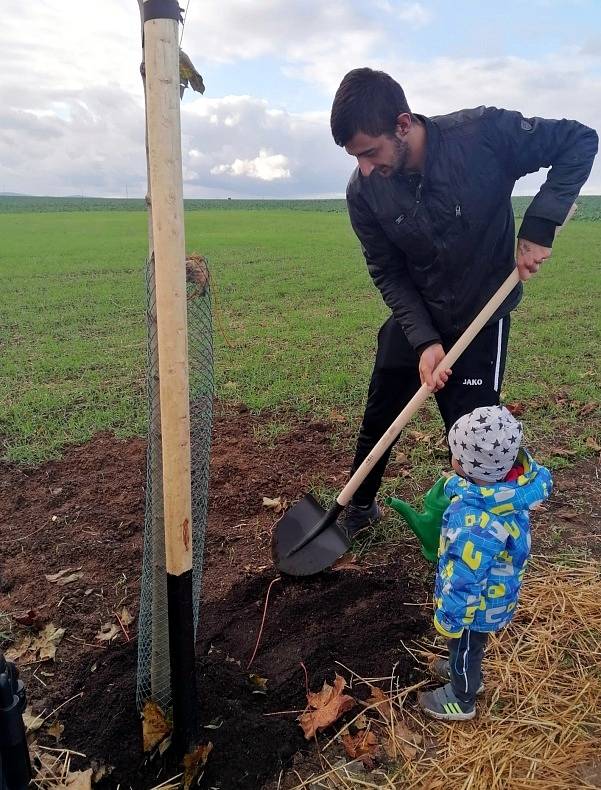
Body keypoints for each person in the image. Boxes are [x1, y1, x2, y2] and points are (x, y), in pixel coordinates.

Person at [329, 68, 597, 537]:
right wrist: (424, 340)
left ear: (403, 123)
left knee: (476, 437)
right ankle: (360, 508)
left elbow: (579, 141)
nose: (365, 168)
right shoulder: (363, 190)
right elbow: (387, 270)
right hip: (419, 313)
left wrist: (539, 225)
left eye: (370, 152)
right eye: (356, 157)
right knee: (382, 408)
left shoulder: (483, 136)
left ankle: (491, 530)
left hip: (481, 311)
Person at [417, 405, 552, 720]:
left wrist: (451, 619)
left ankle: (462, 696)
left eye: (455, 454)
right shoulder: (508, 493)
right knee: (469, 647)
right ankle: (463, 668)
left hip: (474, 606)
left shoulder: (476, 521)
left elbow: (465, 579)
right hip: (496, 592)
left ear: (469, 467)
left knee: (465, 644)